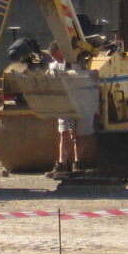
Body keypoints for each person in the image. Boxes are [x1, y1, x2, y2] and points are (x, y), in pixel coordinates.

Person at [47, 41, 88, 177]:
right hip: (64, 103)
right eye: (56, 58)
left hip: (82, 101)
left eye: (60, 57)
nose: (59, 60)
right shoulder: (54, 67)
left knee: (81, 133)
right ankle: (62, 165)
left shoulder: (82, 63)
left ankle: (78, 163)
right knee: (64, 133)